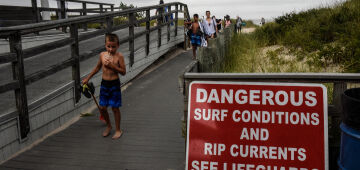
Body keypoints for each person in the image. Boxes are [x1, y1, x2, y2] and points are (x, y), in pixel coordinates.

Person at [82, 33, 126, 140]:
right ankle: (109, 126)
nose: (111, 49)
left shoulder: (119, 56)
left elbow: (123, 72)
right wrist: (87, 78)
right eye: (108, 46)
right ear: (105, 45)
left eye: (113, 46)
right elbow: (97, 68)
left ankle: (118, 130)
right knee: (102, 107)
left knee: (115, 108)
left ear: (118, 45)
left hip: (114, 84)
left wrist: (112, 66)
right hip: (104, 84)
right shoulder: (102, 55)